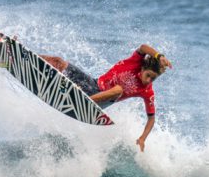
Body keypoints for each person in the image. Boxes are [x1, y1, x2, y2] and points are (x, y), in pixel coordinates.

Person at [40, 44, 171, 152]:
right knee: (59, 62)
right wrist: (158, 56)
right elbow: (143, 47)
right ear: (142, 69)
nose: (149, 80)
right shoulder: (135, 61)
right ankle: (23, 56)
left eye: (153, 78)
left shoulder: (147, 91)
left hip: (99, 102)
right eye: (148, 75)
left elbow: (151, 118)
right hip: (93, 84)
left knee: (119, 90)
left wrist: (143, 138)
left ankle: (84, 100)